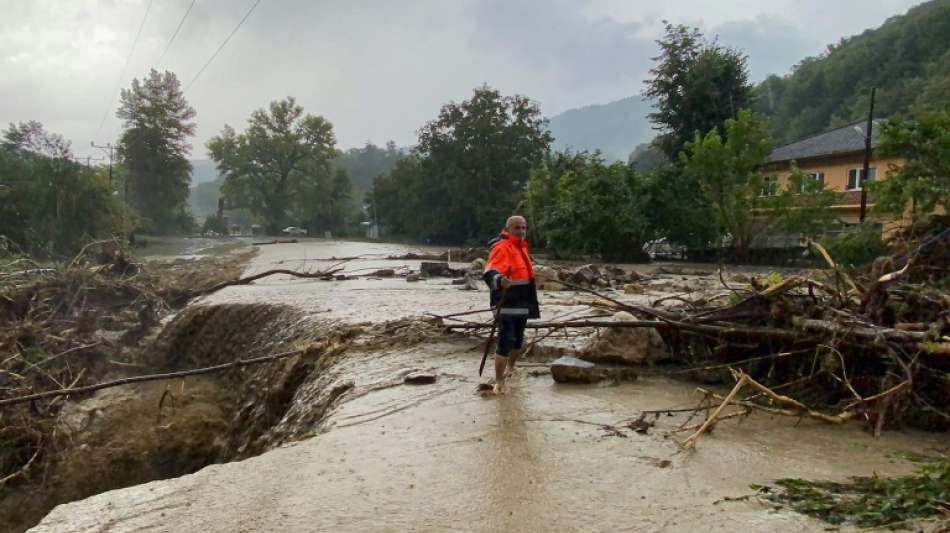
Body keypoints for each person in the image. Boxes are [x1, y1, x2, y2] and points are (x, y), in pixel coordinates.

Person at [482, 215, 540, 394]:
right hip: (505, 302)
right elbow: (490, 270)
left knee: (518, 339)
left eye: (523, 227)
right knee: (506, 340)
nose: (521, 231)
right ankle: (499, 381)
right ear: (508, 229)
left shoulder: (521, 247)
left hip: (522, 301)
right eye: (517, 228)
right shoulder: (501, 247)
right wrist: (500, 280)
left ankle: (511, 368)